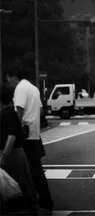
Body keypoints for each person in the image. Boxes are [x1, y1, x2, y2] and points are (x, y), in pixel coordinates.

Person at [6, 69, 54, 214]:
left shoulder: (20, 88)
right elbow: (41, 111)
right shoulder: (33, 88)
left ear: (13, 77)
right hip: (34, 135)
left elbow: (19, 111)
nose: (10, 84)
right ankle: (43, 202)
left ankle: (36, 203)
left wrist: (14, 129)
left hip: (25, 136)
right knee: (35, 171)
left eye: (9, 80)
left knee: (25, 171)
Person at [0, 83, 40, 215]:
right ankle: (31, 209)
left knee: (19, 184)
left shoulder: (7, 113)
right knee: (21, 184)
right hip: (15, 153)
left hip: (13, 154)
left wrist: (4, 156)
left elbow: (11, 137)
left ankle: (31, 210)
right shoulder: (8, 112)